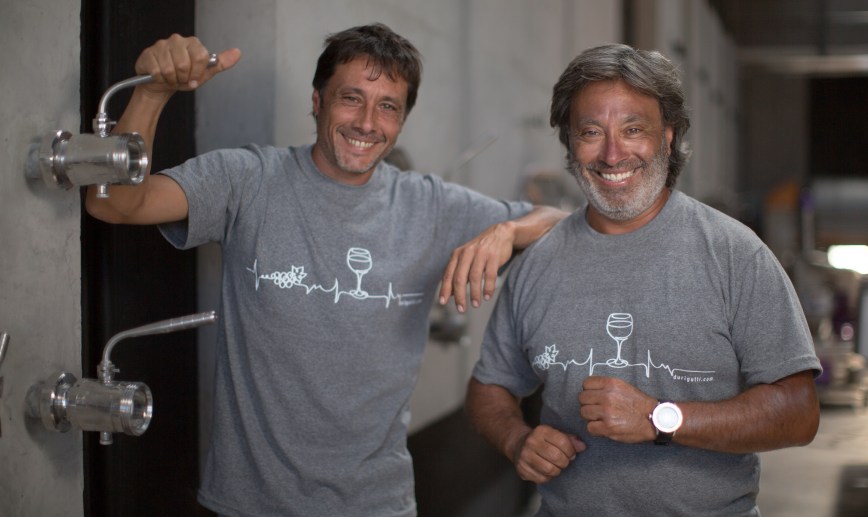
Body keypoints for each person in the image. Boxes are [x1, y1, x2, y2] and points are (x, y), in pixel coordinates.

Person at [86, 24, 565, 517]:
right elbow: (114, 202)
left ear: (401, 122)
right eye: (351, 98)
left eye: (388, 107)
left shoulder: (430, 206)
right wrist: (152, 94)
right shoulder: (248, 180)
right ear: (317, 101)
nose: (367, 122)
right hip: (248, 505)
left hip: (378, 506)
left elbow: (562, 223)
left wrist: (507, 230)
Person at [465, 43, 821, 516]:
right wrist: (516, 439)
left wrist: (660, 418)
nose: (613, 154)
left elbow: (799, 412)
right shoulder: (539, 263)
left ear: (668, 137)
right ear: (570, 143)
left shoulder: (735, 254)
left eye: (633, 130)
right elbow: (490, 386)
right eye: (591, 132)